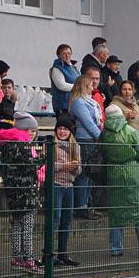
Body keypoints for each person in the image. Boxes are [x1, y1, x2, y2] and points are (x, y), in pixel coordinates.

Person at [0, 112, 43, 274]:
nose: (33, 134)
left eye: (35, 131)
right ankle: (28, 259)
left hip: (12, 191)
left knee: (17, 224)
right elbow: (30, 166)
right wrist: (44, 156)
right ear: (23, 129)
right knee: (28, 226)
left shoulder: (8, 143)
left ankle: (17, 257)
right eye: (30, 130)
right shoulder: (21, 144)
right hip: (26, 191)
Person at [100, 104, 139, 256]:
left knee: (116, 212)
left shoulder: (104, 135)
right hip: (133, 171)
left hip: (113, 173)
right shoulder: (130, 131)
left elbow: (101, 153)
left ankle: (116, 248)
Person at [69, 73, 103, 220]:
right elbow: (88, 122)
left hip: (92, 140)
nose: (92, 87)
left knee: (91, 174)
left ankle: (88, 204)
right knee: (83, 174)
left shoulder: (90, 101)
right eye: (89, 85)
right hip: (84, 140)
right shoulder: (78, 102)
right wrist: (101, 137)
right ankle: (81, 207)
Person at [52, 114, 80, 266]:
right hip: (56, 185)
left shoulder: (75, 147)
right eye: (60, 129)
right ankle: (49, 254)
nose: (62, 132)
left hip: (69, 186)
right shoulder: (51, 145)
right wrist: (63, 166)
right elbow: (48, 167)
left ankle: (63, 253)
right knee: (55, 218)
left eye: (65, 129)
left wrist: (75, 168)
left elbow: (79, 171)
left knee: (66, 220)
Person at [50, 44, 80, 116]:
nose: (67, 55)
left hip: (74, 103)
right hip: (63, 105)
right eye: (64, 53)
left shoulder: (74, 68)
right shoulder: (57, 68)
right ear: (58, 55)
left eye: (69, 53)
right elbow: (61, 86)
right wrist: (79, 87)